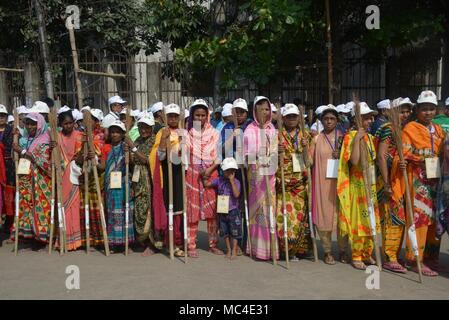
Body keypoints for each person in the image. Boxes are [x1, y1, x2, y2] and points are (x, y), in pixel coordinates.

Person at [391, 90, 444, 276]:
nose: (428, 112)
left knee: (434, 220)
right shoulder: (410, 128)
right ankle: (415, 259)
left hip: (435, 180)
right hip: (418, 180)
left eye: (431, 109)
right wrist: (419, 158)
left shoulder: (438, 130)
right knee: (419, 219)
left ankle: (431, 257)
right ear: (418, 110)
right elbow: (402, 154)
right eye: (424, 109)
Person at [337, 102, 380, 270]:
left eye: (370, 117)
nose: (370, 120)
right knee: (359, 221)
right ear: (356, 119)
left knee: (370, 219)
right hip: (358, 186)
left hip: (371, 185)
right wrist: (357, 140)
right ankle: (356, 255)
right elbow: (354, 161)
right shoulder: (350, 136)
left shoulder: (371, 138)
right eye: (366, 118)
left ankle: (367, 253)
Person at [374, 97, 412, 273]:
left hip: (398, 178)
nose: (405, 114)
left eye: (407, 111)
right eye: (402, 111)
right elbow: (381, 156)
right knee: (391, 217)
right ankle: (390, 256)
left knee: (399, 216)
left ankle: (394, 253)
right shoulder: (388, 129)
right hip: (388, 180)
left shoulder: (400, 129)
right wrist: (387, 181)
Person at [185, 99, 223, 257]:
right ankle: (191, 245)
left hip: (210, 173)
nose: (200, 118)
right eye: (197, 115)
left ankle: (213, 244)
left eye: (202, 115)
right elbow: (185, 155)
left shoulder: (215, 133)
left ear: (207, 115)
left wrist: (209, 170)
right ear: (192, 116)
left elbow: (219, 155)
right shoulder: (188, 134)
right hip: (193, 175)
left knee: (211, 211)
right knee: (192, 210)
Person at [310, 105, 347, 264]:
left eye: (332, 119)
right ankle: (327, 251)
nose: (329, 121)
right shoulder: (316, 138)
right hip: (322, 183)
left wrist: (342, 155)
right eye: (326, 119)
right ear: (321, 121)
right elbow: (309, 160)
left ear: (337, 120)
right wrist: (305, 146)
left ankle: (343, 250)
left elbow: (352, 159)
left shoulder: (343, 137)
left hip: (341, 181)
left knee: (342, 215)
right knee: (325, 214)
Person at [243, 96, 279, 261]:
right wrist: (257, 156)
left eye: (267, 109)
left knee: (269, 210)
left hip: (270, 175)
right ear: (255, 111)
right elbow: (246, 155)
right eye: (261, 109)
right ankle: (256, 248)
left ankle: (271, 248)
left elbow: (275, 153)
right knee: (256, 211)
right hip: (255, 176)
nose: (264, 112)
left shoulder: (272, 130)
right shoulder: (249, 129)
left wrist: (270, 158)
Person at [276, 103, 312, 261]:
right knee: (284, 217)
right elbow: (268, 160)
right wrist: (276, 152)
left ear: (299, 118)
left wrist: (305, 148)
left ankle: (299, 250)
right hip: (283, 181)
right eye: (288, 116)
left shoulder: (306, 135)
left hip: (300, 182)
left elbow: (309, 162)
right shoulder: (276, 136)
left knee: (300, 217)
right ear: (283, 118)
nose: (291, 119)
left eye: (294, 117)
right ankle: (285, 250)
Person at [11, 113, 51, 251]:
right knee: (27, 206)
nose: (30, 126)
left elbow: (43, 162)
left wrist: (22, 151)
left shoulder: (46, 139)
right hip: (26, 179)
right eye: (27, 123)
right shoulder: (25, 139)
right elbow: (15, 155)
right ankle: (30, 235)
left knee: (41, 207)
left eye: (33, 124)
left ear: (39, 124)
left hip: (41, 180)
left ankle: (43, 236)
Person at [150, 103, 186, 256]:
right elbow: (159, 155)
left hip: (180, 173)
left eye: (175, 116)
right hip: (167, 173)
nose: (172, 119)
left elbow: (186, 155)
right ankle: (169, 242)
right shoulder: (162, 132)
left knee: (179, 208)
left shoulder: (183, 132)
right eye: (170, 116)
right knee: (169, 207)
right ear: (165, 117)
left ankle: (179, 241)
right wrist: (165, 140)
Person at [99, 120, 135, 252]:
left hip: (124, 183)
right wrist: (93, 161)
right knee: (113, 213)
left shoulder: (126, 146)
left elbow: (131, 164)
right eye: (112, 132)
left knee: (126, 212)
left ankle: (126, 242)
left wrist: (128, 153)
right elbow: (102, 166)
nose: (114, 134)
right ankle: (113, 242)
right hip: (111, 186)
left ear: (122, 134)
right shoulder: (105, 148)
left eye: (117, 132)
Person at [125, 114, 157, 256]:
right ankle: (141, 241)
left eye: (146, 127)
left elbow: (145, 160)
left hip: (149, 179)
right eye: (141, 127)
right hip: (137, 179)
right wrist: (128, 154)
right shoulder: (138, 140)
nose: (144, 130)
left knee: (149, 209)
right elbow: (134, 161)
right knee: (139, 209)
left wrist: (132, 148)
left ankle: (152, 243)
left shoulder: (153, 140)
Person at [202, 157, 242, 259]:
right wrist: (205, 175)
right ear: (223, 171)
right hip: (222, 211)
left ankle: (234, 250)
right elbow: (207, 184)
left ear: (234, 171)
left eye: (231, 171)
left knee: (235, 232)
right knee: (225, 232)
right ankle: (228, 249)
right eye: (226, 171)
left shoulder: (236, 182)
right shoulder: (219, 180)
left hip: (233, 211)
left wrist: (232, 182)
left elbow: (237, 195)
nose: (228, 173)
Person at [79, 108, 107, 248]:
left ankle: (101, 239)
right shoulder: (81, 135)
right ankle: (87, 239)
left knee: (98, 207)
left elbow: (102, 155)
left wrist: (94, 155)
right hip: (84, 176)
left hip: (97, 177)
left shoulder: (101, 136)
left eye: (91, 120)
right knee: (86, 207)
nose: (87, 122)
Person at [56, 110, 83, 251]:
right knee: (64, 207)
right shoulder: (57, 138)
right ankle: (65, 240)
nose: (68, 126)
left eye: (70, 123)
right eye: (65, 123)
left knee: (74, 207)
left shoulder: (79, 136)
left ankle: (76, 241)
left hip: (75, 175)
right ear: (60, 124)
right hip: (61, 176)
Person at [0, 104, 15, 236]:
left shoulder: (11, 130)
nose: (1, 118)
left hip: (9, 166)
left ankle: (9, 225)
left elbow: (10, 147)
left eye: (3, 116)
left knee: (9, 197)